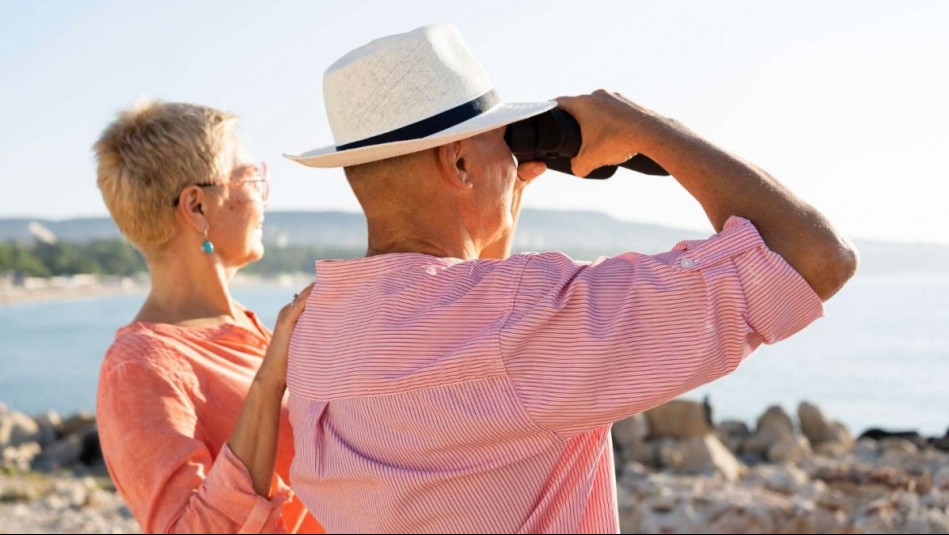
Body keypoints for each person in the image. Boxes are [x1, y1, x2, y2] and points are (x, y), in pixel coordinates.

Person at [282, 24, 858, 533]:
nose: (513, 160)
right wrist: (651, 126)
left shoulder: (316, 331)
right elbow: (814, 257)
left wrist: (497, 194)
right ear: (457, 164)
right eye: (498, 141)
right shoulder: (524, 319)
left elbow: (460, 342)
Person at [93, 100, 323, 533]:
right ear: (197, 206)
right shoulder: (139, 367)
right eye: (250, 176)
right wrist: (270, 382)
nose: (262, 195)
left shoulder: (248, 329)